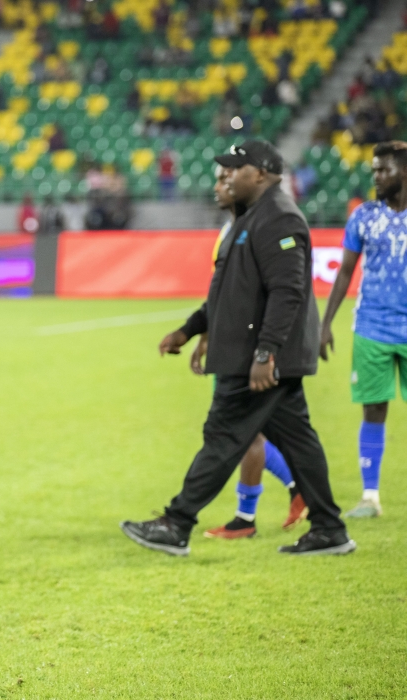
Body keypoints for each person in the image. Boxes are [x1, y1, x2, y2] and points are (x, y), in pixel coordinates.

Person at [121, 140, 353, 556]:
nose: (225, 176)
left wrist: (266, 353)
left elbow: (289, 292)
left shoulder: (278, 218)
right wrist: (190, 329)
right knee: (298, 440)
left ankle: (176, 524)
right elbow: (228, 295)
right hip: (255, 355)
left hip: (257, 359)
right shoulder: (249, 219)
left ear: (261, 172)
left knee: (223, 435)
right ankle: (330, 529)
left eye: (234, 168)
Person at [191, 164, 307, 539]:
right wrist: (204, 336)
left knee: (244, 434)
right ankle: (296, 488)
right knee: (256, 432)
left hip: (248, 350)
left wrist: (262, 351)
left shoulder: (257, 229)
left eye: (226, 180)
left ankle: (245, 517)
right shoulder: (232, 231)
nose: (219, 187)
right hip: (236, 346)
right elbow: (223, 297)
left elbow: (275, 292)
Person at [319, 140, 407, 518]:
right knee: (373, 410)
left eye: (383, 170)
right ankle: (370, 497)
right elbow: (345, 273)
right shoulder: (364, 216)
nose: (376, 176)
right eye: (374, 170)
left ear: (403, 172)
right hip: (371, 325)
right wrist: (325, 323)